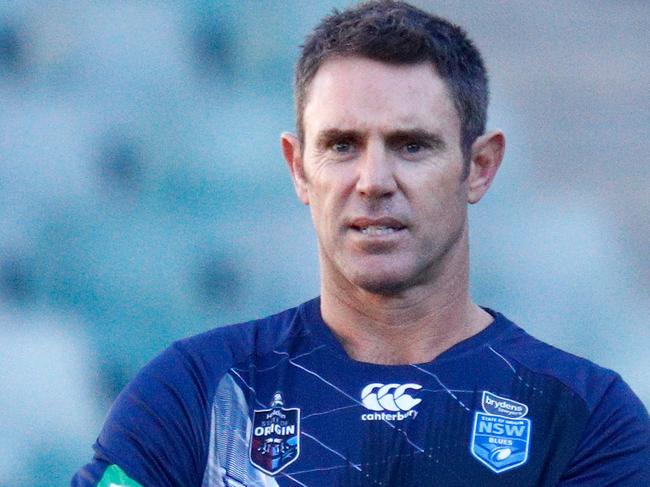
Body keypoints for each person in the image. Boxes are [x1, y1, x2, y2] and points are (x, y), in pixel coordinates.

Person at [73, 1, 650, 485]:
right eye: (343, 145)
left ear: (479, 166)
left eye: (411, 146)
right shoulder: (194, 393)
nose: (373, 181)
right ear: (299, 168)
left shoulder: (585, 416)